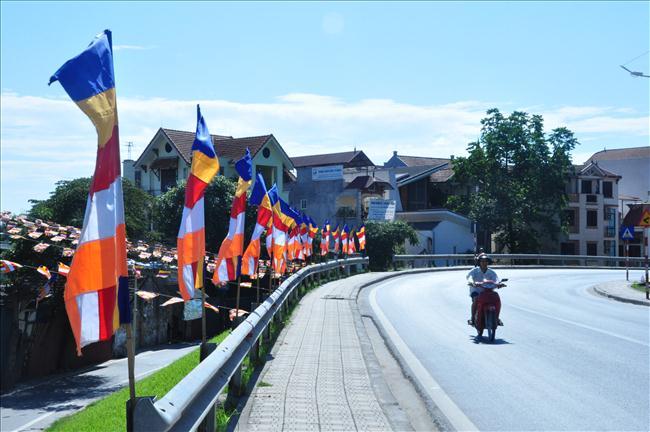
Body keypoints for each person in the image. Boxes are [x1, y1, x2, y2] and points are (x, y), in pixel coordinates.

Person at [466, 253, 502, 326]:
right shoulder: (474, 271)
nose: (484, 263)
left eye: (486, 261)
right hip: (476, 291)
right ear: (479, 262)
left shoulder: (491, 272)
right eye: (482, 261)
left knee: (497, 299)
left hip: (488, 291)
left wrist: (499, 284)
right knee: (476, 300)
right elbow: (469, 277)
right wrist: (472, 282)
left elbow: (496, 279)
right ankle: (472, 319)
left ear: (488, 262)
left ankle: (496, 318)